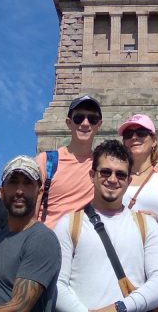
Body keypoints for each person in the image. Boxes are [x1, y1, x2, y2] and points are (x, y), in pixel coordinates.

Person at [54, 140, 158, 312]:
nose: (112, 179)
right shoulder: (68, 224)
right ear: (92, 175)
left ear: (129, 180)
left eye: (121, 174)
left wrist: (120, 308)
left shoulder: (147, 225)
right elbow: (57, 283)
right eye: (105, 172)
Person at [0, 156, 61, 312]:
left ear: (39, 193)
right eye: (13, 182)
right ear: (1, 192)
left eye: (27, 183)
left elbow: (19, 306)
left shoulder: (41, 239)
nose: (20, 191)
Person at [35, 96, 102, 228]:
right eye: (79, 118)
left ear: (98, 125)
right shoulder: (46, 160)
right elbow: (32, 207)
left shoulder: (102, 166)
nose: (85, 123)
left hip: (81, 244)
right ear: (69, 122)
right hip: (48, 241)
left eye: (92, 118)